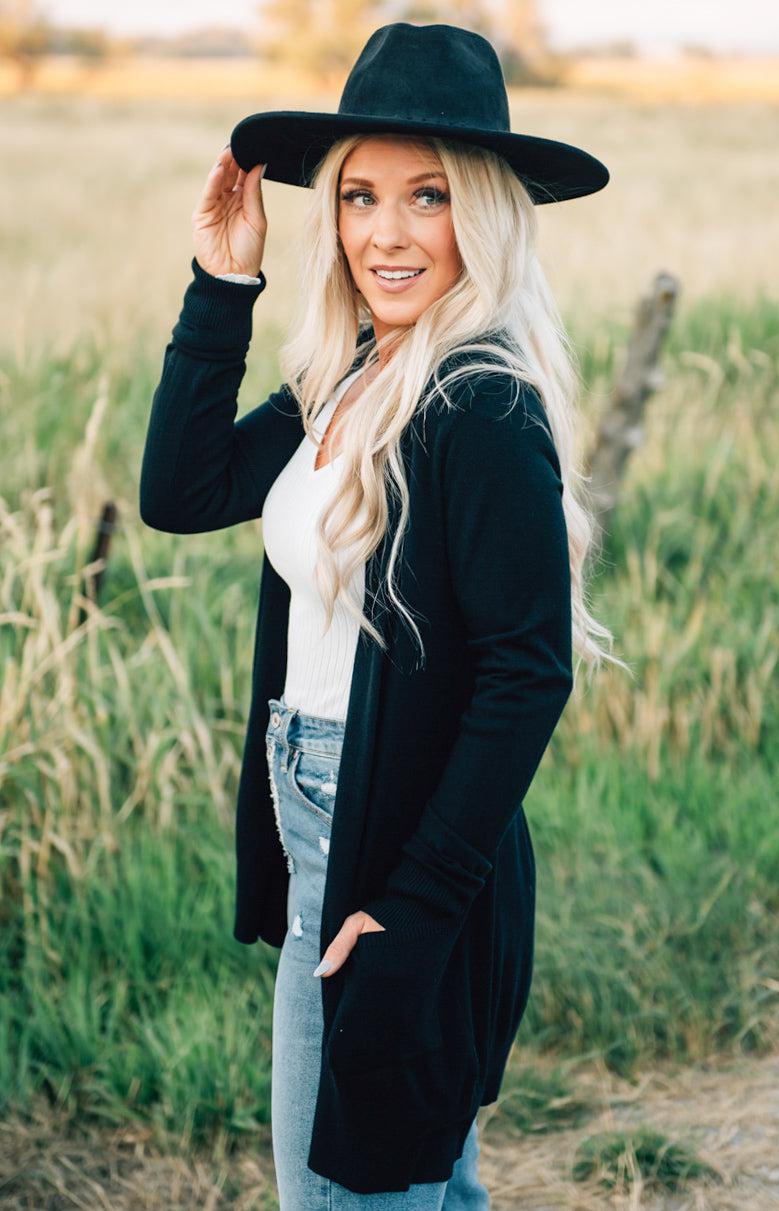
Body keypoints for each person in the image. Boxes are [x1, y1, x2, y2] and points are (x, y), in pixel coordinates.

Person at [140, 20, 623, 1209]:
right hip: (323, 810)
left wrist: (409, 911)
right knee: (414, 1178)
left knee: (347, 1184)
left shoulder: (477, 401)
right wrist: (224, 280)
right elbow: (182, 490)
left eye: (427, 196)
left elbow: (527, 672)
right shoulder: (349, 371)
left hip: (399, 843)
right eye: (359, 196)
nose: (385, 233)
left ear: (485, 214)